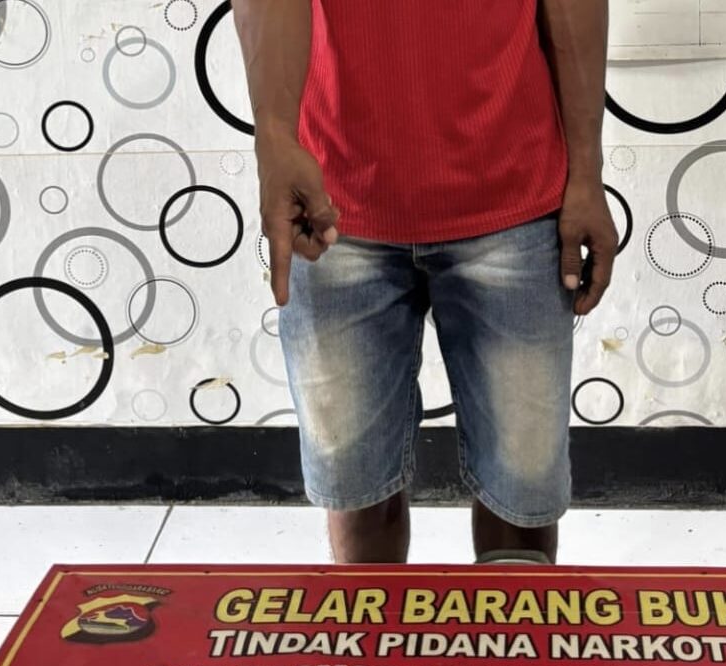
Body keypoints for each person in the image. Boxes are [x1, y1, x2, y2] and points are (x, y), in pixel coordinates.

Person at [232, 0, 617, 565]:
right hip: (334, 204)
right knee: (357, 489)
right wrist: (273, 141)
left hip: (514, 196)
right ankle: (371, 630)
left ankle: (512, 630)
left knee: (523, 498)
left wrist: (586, 172)